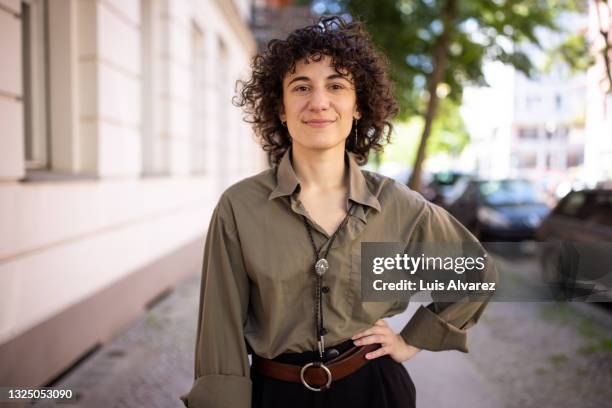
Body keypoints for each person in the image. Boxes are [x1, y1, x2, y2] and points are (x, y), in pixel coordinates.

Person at [181, 16, 497, 408]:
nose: (318, 102)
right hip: (276, 396)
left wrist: (411, 340)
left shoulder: (397, 204)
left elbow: (473, 272)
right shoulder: (239, 207)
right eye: (301, 87)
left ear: (358, 106)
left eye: (336, 86)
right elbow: (219, 327)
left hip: (374, 391)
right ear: (280, 108)